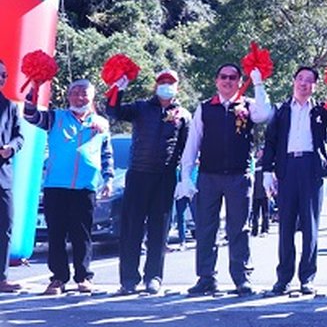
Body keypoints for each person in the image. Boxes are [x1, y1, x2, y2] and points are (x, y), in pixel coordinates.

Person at [177, 63, 272, 296]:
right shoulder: (205, 108)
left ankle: (241, 278)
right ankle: (206, 277)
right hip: (208, 176)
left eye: (233, 77)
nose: (228, 81)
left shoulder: (248, 106)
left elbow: (265, 114)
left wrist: (258, 83)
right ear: (216, 81)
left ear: (239, 81)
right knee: (205, 227)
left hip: (239, 176)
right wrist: (185, 176)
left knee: (239, 228)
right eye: (223, 77)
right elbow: (193, 142)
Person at [262, 66, 327, 295]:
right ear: (294, 82)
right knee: (286, 226)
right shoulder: (281, 110)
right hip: (287, 168)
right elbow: (270, 142)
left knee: (311, 226)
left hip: (311, 168)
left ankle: (307, 278)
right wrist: (267, 172)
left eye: (309, 80)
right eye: (300, 79)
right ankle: (283, 278)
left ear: (315, 86)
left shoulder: (320, 110)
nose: (304, 83)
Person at [24, 79, 113, 295]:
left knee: (82, 234)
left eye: (84, 93)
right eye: (74, 92)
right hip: (56, 185)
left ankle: (84, 277)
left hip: (85, 186)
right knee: (56, 234)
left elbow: (107, 154)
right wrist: (34, 88)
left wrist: (108, 179)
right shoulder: (56, 117)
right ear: (68, 96)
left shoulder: (101, 123)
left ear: (92, 97)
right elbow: (31, 116)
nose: (79, 97)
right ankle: (58, 278)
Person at [107, 69, 191, 295]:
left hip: (165, 177)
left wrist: (183, 178)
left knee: (159, 230)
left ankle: (153, 277)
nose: (166, 85)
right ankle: (128, 279)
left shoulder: (183, 114)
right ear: (156, 85)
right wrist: (119, 88)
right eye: (163, 82)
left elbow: (186, 148)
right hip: (138, 173)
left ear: (177, 87)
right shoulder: (141, 107)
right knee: (131, 228)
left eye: (171, 82)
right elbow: (113, 111)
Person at [0, 60, 24, 293]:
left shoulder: (9, 106)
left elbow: (20, 136)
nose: (0, 79)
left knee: (5, 225)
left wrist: (11, 148)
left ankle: (2, 278)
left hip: (3, 176)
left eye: (3, 75)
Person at [250, 149, 270, 237]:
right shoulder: (254, 163)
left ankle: (265, 229)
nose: (259, 153)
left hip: (265, 193)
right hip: (255, 194)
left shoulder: (266, 163)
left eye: (261, 151)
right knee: (255, 213)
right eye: (258, 152)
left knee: (265, 213)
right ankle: (254, 230)